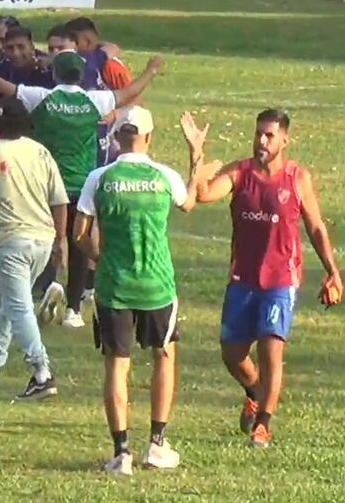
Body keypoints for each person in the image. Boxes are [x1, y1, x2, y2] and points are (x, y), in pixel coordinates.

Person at [0, 48, 163, 328]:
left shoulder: (42, 97)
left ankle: (43, 289)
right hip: (82, 184)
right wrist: (151, 70)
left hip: (45, 184)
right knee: (80, 245)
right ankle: (73, 309)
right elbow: (129, 92)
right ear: (81, 75)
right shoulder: (94, 101)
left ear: (55, 74)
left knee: (43, 238)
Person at [73, 108, 218, 475]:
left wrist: (101, 258)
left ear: (118, 137)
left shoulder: (99, 179)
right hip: (157, 286)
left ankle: (121, 452)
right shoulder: (163, 175)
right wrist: (195, 155)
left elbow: (78, 234)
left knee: (116, 366)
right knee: (163, 357)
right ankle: (157, 444)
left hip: (113, 286)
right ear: (149, 138)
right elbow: (188, 202)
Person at [193, 108, 345, 449]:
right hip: (243, 277)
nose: (261, 140)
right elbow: (202, 194)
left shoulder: (296, 178)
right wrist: (196, 154)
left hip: (281, 279)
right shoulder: (240, 172)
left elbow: (316, 226)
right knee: (231, 353)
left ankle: (263, 424)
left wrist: (332, 271)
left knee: (270, 350)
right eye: (259, 133)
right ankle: (254, 393)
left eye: (269, 135)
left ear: (284, 140)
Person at [0, 96, 69, 400]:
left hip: (10, 240)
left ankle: (41, 373)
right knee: (7, 302)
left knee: (19, 306)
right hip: (43, 240)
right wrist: (59, 240)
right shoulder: (41, 152)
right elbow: (59, 200)